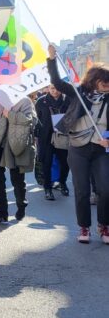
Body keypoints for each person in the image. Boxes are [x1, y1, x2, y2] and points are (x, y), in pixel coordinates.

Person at [47, 45, 109, 244]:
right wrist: (51, 59)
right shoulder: (79, 93)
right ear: (94, 80)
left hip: (101, 149)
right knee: (81, 190)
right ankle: (84, 227)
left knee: (105, 189)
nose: (107, 85)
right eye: (104, 81)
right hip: (78, 147)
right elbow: (57, 82)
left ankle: (104, 225)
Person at [0, 96, 36, 224]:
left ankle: (21, 204)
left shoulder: (25, 101)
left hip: (15, 145)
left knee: (17, 180)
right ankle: (1, 213)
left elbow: (31, 121)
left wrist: (10, 114)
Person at [35, 84, 71, 200]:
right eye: (52, 88)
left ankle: (63, 183)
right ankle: (47, 188)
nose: (55, 91)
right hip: (46, 137)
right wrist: (36, 135)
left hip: (62, 135)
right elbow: (37, 119)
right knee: (47, 163)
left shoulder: (67, 100)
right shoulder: (41, 101)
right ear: (48, 88)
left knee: (65, 163)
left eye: (57, 88)